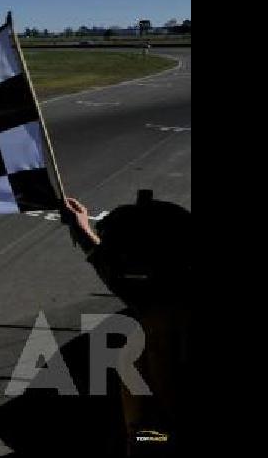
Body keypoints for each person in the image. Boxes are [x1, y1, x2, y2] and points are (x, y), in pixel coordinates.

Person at [62, 190, 191, 457]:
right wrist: (83, 231)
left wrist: (137, 438)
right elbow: (118, 277)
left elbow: (162, 434)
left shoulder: (170, 319)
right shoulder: (165, 295)